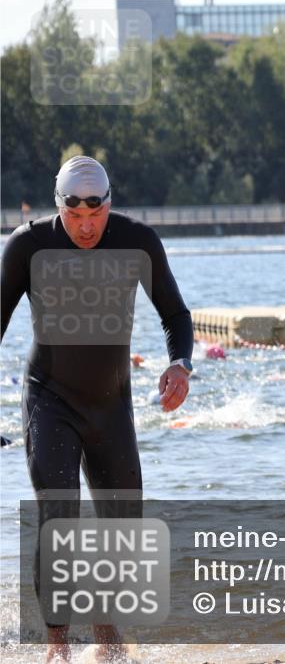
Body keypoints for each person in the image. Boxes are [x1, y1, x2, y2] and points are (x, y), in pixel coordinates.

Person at [0, 156, 194, 664]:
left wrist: (180, 365)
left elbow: (175, 313)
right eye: (75, 216)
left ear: (110, 204)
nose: (86, 227)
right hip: (50, 399)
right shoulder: (28, 245)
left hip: (111, 405)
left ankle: (107, 637)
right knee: (57, 513)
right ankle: (58, 647)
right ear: (58, 207)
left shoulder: (138, 242)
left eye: (96, 214)